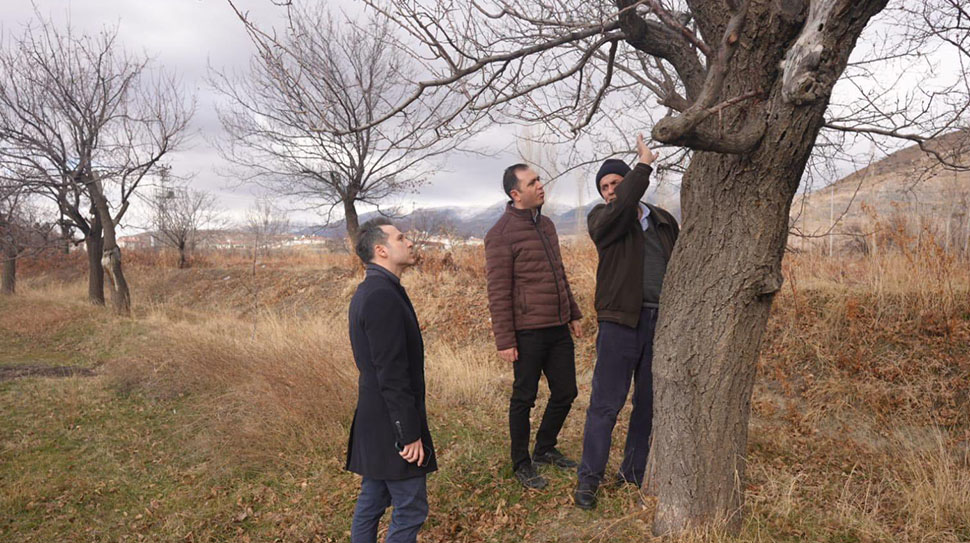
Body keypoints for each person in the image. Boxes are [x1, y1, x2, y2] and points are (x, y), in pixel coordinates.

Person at [574, 134, 679, 510]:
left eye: (615, 183)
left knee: (647, 404)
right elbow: (619, 212)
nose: (610, 191)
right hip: (620, 324)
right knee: (605, 405)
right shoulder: (603, 219)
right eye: (604, 187)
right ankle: (588, 481)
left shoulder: (664, 222)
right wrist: (643, 165)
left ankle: (632, 474)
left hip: (660, 323)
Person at [484, 163, 584, 490]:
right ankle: (521, 463)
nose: (541, 185)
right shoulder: (500, 235)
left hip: (556, 328)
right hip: (526, 332)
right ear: (516, 194)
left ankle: (545, 448)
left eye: (539, 179)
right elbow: (498, 292)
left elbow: (558, 274)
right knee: (524, 399)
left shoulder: (548, 226)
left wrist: (572, 313)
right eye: (532, 182)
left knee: (567, 390)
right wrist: (505, 340)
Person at [347, 218, 436, 542]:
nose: (410, 242)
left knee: (372, 500)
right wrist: (408, 433)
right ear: (381, 250)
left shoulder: (376, 289)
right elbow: (391, 373)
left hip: (376, 417)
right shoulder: (381, 296)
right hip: (390, 422)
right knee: (410, 508)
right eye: (401, 238)